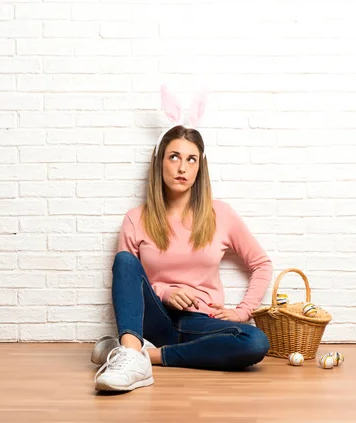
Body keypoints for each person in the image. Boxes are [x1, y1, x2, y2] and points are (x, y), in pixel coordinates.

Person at [92, 87, 273, 393]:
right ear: (160, 161)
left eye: (191, 160)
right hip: (156, 319)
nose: (182, 167)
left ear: (200, 167)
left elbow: (262, 264)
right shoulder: (136, 219)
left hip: (200, 322)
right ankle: (131, 349)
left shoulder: (221, 215)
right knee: (124, 260)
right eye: (174, 156)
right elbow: (128, 281)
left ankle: (139, 355)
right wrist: (164, 292)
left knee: (255, 341)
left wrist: (243, 311)